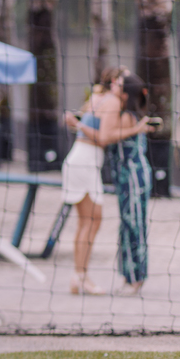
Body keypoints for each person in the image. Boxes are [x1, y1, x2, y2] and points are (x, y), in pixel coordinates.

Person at [67, 73, 155, 295]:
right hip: (116, 173)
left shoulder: (125, 113)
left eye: (120, 83)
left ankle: (134, 278)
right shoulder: (113, 104)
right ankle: (88, 276)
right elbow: (103, 131)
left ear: (125, 93)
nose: (115, 84)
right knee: (103, 223)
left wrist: (78, 125)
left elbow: (105, 136)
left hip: (131, 175)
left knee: (130, 225)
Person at [59, 68, 127, 296]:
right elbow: (103, 137)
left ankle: (79, 276)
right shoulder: (111, 102)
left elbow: (78, 123)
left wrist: (76, 122)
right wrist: (135, 129)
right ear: (114, 82)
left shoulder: (96, 98)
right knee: (91, 221)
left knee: (88, 221)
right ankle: (81, 276)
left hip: (82, 161)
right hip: (84, 162)